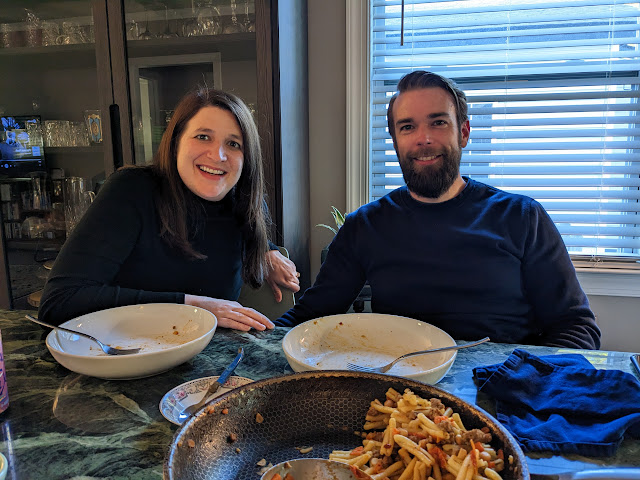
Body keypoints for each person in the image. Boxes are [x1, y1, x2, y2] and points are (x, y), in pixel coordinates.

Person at [277, 71, 601, 349]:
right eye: (407, 127)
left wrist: (524, 383)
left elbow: (576, 329)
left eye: (438, 122)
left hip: (504, 388)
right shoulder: (365, 226)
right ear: (395, 141)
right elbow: (308, 317)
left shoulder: (522, 217)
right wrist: (252, 330)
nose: (424, 138)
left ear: (463, 132)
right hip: (400, 391)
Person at [39, 88, 300, 332]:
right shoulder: (132, 189)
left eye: (234, 144)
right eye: (203, 137)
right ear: (176, 142)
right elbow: (59, 302)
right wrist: (192, 307)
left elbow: (252, 223)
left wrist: (267, 250)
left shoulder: (244, 202)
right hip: (127, 354)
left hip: (209, 357)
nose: (218, 155)